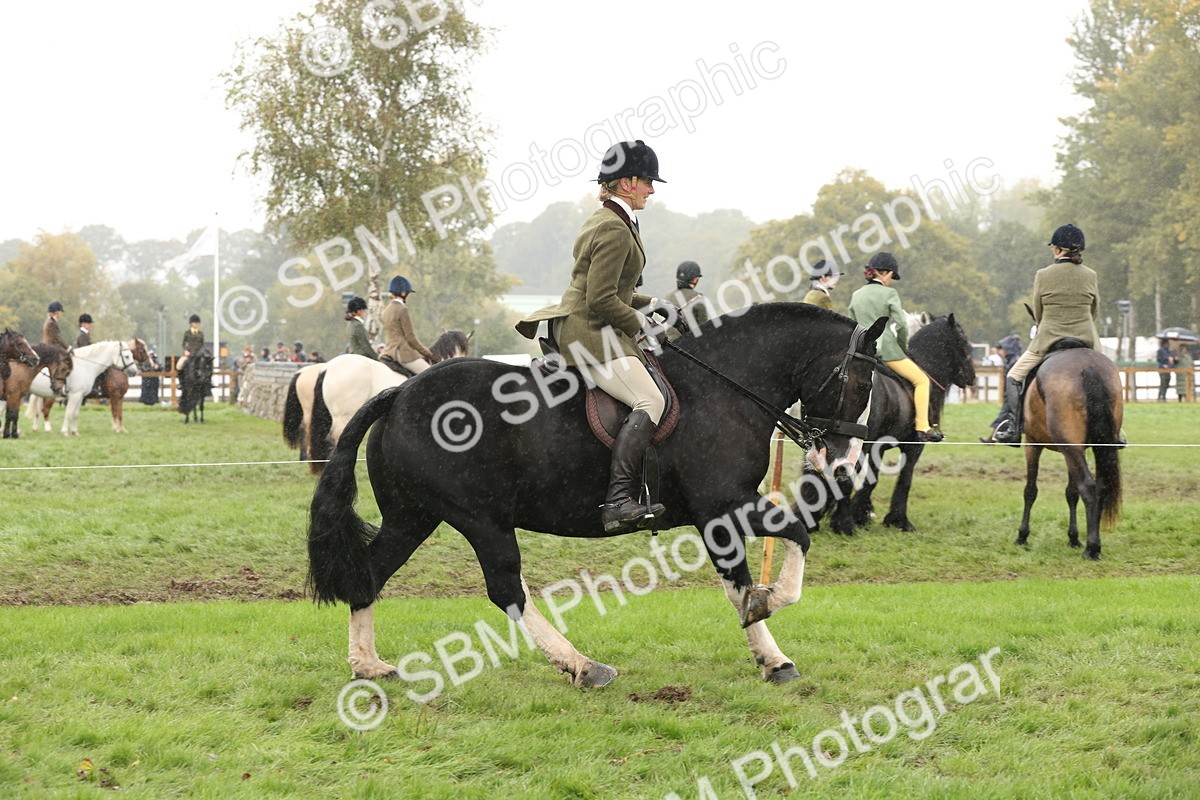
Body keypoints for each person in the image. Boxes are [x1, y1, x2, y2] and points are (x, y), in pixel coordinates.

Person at [516, 139, 669, 533]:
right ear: (627, 182)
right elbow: (601, 300)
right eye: (648, 181)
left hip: (592, 322)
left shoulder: (608, 219)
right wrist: (641, 324)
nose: (652, 189)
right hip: (590, 332)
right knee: (650, 398)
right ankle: (618, 500)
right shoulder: (614, 228)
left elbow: (615, 288)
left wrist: (657, 304)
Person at [988, 224, 1100, 445]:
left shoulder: (1043, 275)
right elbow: (1095, 310)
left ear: (1058, 249)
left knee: (1014, 376)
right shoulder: (1091, 275)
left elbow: (1038, 312)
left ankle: (1012, 426)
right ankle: (1115, 430)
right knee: (1106, 376)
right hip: (1086, 340)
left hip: (1049, 339)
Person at [847, 252, 943, 443]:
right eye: (891, 275)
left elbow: (851, 322)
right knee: (922, 381)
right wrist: (901, 348)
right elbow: (900, 324)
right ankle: (922, 426)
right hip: (887, 352)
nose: (891, 280)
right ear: (884, 273)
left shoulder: (856, 295)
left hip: (862, 351)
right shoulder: (890, 294)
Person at [381, 275, 434, 374]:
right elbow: (410, 337)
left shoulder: (386, 310)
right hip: (402, 352)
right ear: (403, 293)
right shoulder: (402, 309)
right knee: (430, 373)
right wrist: (425, 352)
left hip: (389, 351)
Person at [664, 260, 709, 341]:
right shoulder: (698, 298)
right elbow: (704, 326)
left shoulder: (668, 297)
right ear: (694, 279)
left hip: (669, 344)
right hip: (689, 345)